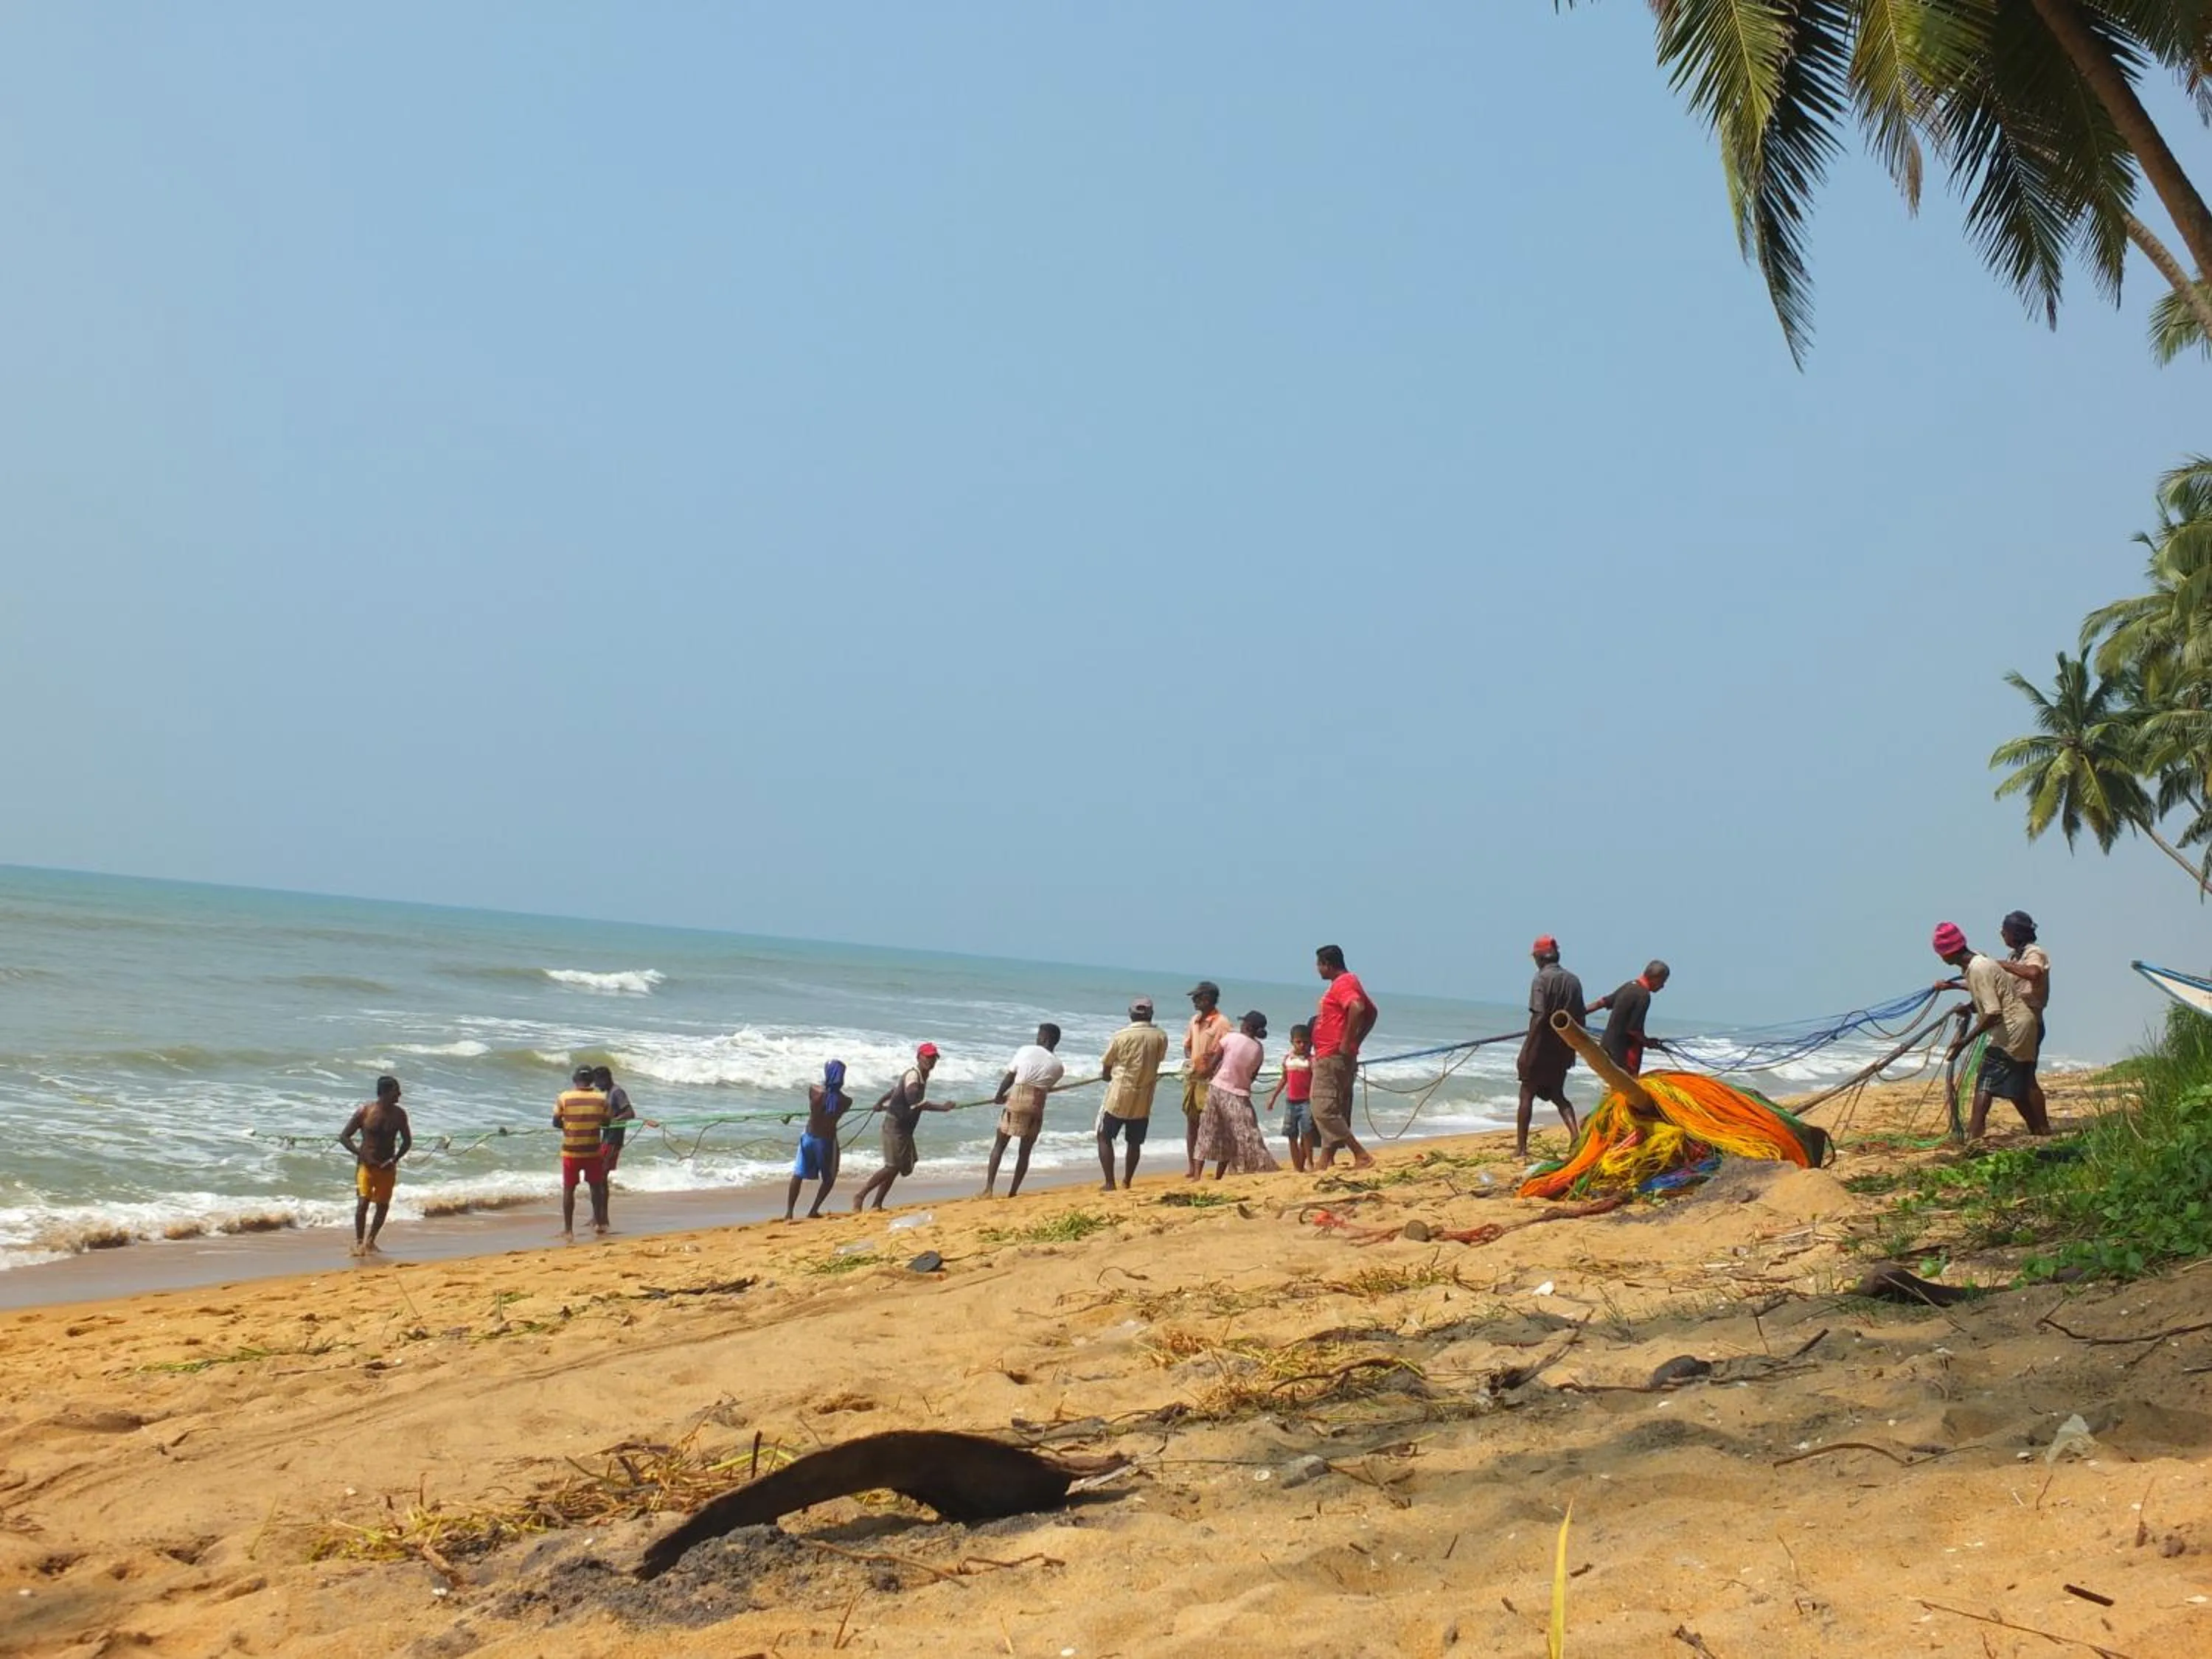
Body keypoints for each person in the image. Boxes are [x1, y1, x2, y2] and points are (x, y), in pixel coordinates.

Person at [1933, 921, 2049, 1138]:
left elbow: (1994, 1012)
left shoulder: (1978, 968)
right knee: (2018, 1085)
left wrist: (1964, 1042)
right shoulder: (1976, 965)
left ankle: (1974, 1138)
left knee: (1985, 1080)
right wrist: (1969, 1008)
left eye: (1941, 953)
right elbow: (1992, 998)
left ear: (1949, 953)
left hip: (2012, 1028)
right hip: (2023, 1025)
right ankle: (2040, 1131)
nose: (1941, 958)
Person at [852, 1043, 955, 1211]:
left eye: (933, 1057)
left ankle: (877, 1204)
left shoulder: (922, 1075)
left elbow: (896, 1089)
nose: (931, 1060)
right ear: (918, 1057)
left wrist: (880, 1102)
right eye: (927, 1057)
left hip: (905, 1127)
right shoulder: (914, 1076)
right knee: (892, 1166)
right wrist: (942, 1108)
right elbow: (913, 1099)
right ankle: (861, 1195)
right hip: (895, 1126)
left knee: (896, 1167)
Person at [1515, 936, 1587, 1158]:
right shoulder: (1574, 981)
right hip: (1563, 1048)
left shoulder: (1541, 979)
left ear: (1539, 957)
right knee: (1558, 1094)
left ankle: (1522, 1149)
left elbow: (1539, 1015)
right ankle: (1576, 1137)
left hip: (1541, 1048)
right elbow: (1580, 1019)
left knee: (1526, 1094)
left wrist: (1527, 1049)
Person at [1309, 945, 1377, 1171]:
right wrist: (1356, 1040)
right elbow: (1372, 1012)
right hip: (1333, 1053)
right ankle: (1325, 1160)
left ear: (1327, 964)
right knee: (1335, 1105)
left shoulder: (1343, 983)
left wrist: (1348, 1041)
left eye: (1319, 964)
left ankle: (1361, 1154)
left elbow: (1358, 1008)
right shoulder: (1349, 982)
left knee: (1323, 1108)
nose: (1317, 969)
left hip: (1332, 1054)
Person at [1192, 1011, 1280, 1178]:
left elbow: (1214, 1063)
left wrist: (1202, 1074)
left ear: (1247, 1026)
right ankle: (1219, 1176)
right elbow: (1252, 1076)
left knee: (1207, 1131)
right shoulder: (1259, 1049)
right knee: (1233, 1135)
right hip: (1239, 1094)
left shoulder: (1230, 1038)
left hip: (1218, 1088)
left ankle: (1197, 1175)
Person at [1096, 998, 1169, 1192]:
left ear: (1130, 1013)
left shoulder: (1121, 1036)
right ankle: (1127, 1181)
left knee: (1104, 1136)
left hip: (1119, 1094)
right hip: (1144, 1096)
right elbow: (1159, 1059)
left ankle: (1110, 1183)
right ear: (1151, 1014)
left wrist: (1106, 1076)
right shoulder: (1161, 1036)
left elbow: (1107, 1064)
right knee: (1134, 1141)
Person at [985, 1023, 1064, 1197]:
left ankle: (989, 1188)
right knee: (1025, 1151)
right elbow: (1045, 1087)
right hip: (1036, 1106)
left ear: (1045, 1038)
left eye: (1039, 1035)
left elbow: (1011, 1076)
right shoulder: (1059, 1067)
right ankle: (1013, 1192)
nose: (1037, 1039)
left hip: (1017, 1099)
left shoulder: (1026, 1050)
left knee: (1000, 1144)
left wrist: (999, 1095)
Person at [338, 1075, 413, 1256]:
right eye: (396, 1091)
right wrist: (360, 1154)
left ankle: (371, 1240)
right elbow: (344, 1137)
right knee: (363, 1203)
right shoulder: (365, 1111)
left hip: (387, 1166)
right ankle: (358, 1243)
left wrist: (395, 1159)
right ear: (385, 1093)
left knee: (382, 1205)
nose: (400, 1095)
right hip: (366, 1165)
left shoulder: (399, 1114)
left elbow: (407, 1141)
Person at [1997, 911, 2051, 1124]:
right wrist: (1954, 986)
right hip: (2015, 1024)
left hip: (2030, 1023)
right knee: (2020, 1079)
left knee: (2027, 1078)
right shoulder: (2014, 957)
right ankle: (2036, 1127)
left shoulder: (2034, 953)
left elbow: (2033, 974)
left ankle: (2043, 1128)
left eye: (2005, 930)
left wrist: (2000, 965)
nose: (2002, 934)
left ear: (2015, 933)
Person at [785, 1060, 852, 1220]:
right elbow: (834, 1101)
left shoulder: (814, 1092)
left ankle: (789, 1213)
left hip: (808, 1137)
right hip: (826, 1142)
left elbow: (822, 1093)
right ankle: (813, 1210)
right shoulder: (846, 1102)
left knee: (798, 1174)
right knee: (829, 1178)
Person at [553, 1065, 613, 1238]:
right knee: (595, 1187)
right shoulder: (602, 1098)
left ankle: (568, 1230)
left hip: (571, 1152)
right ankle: (599, 1223)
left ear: (575, 1080)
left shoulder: (564, 1097)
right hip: (593, 1151)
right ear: (592, 1081)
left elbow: (556, 1122)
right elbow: (607, 1123)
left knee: (569, 1189)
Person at [1181, 983, 1234, 1173]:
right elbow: (1187, 1044)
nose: (1194, 1001)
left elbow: (1228, 1050)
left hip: (1212, 1080)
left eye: (1197, 997)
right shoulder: (1194, 1020)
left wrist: (1210, 1063)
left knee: (1212, 1124)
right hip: (1193, 1078)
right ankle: (1192, 1166)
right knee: (1192, 1122)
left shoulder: (1222, 1023)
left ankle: (1216, 1166)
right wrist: (1191, 1057)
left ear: (1208, 998)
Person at [1589, 961, 1670, 1076]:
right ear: (1656, 978)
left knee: (1612, 1085)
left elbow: (1601, 1003)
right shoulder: (1643, 995)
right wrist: (1648, 1042)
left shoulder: (1629, 986)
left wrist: (1580, 1012)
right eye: (1663, 982)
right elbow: (1634, 1030)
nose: (1662, 986)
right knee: (1626, 1087)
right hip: (1623, 1053)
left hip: (1606, 1046)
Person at [591, 1064, 658, 1186]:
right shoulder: (609, 1093)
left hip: (613, 1139)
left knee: (601, 1173)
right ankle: (601, 1203)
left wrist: (614, 1121)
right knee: (600, 1173)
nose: (596, 1085)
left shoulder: (617, 1092)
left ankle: (601, 1204)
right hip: (607, 1138)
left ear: (604, 1079)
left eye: (597, 1082)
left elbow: (630, 1113)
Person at [1264, 1023, 1316, 1172]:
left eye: (1305, 1042)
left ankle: (1310, 1162)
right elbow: (1284, 1079)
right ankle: (1297, 1166)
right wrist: (1273, 1097)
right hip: (1291, 1102)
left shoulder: (1311, 1061)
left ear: (1310, 1043)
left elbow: (1315, 1081)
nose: (1302, 1045)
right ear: (1292, 1042)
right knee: (1291, 1134)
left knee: (1307, 1133)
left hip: (1307, 1102)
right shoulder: (1288, 1059)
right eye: (1298, 1042)